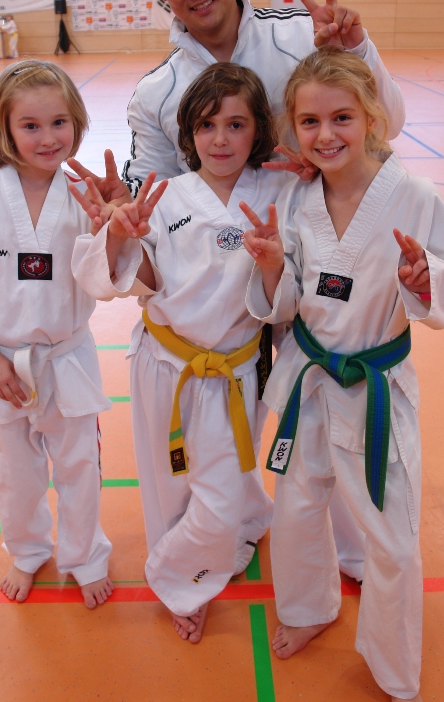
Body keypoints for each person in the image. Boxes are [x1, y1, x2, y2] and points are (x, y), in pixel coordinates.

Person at [69, 0, 408, 581]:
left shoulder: (300, 36)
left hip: (319, 257)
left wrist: (352, 50)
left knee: (334, 409)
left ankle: (352, 549)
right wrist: (119, 211)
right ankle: (226, 534)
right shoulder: (157, 91)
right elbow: (153, 192)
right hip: (233, 283)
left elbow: (386, 124)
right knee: (237, 428)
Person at [240, 48, 444, 702]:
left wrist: (425, 280)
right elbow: (287, 300)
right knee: (297, 507)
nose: (326, 135)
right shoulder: (298, 197)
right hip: (308, 375)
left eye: (342, 118)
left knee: (392, 541)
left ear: (372, 118)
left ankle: (398, 675)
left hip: (374, 387)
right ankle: (307, 609)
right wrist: (271, 265)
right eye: (310, 122)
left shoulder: (413, 195)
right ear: (293, 129)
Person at [72, 63, 289, 643]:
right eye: (206, 125)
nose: (220, 139)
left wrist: (274, 265)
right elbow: (143, 280)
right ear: (188, 132)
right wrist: (122, 236)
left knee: (222, 484)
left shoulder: (279, 192)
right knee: (169, 481)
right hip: (167, 365)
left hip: (238, 367)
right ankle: (193, 565)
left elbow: (284, 295)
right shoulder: (166, 197)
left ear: (258, 129)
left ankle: (183, 573)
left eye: (236, 124)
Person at [0, 60, 121, 608]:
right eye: (30, 125)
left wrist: (110, 228)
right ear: (5, 128)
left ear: (77, 122)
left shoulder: (86, 194)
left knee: (81, 466)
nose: (47, 137)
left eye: (59, 122)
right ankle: (29, 550)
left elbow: (105, 281)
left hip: (67, 357)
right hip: (0, 362)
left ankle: (85, 556)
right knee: (15, 472)